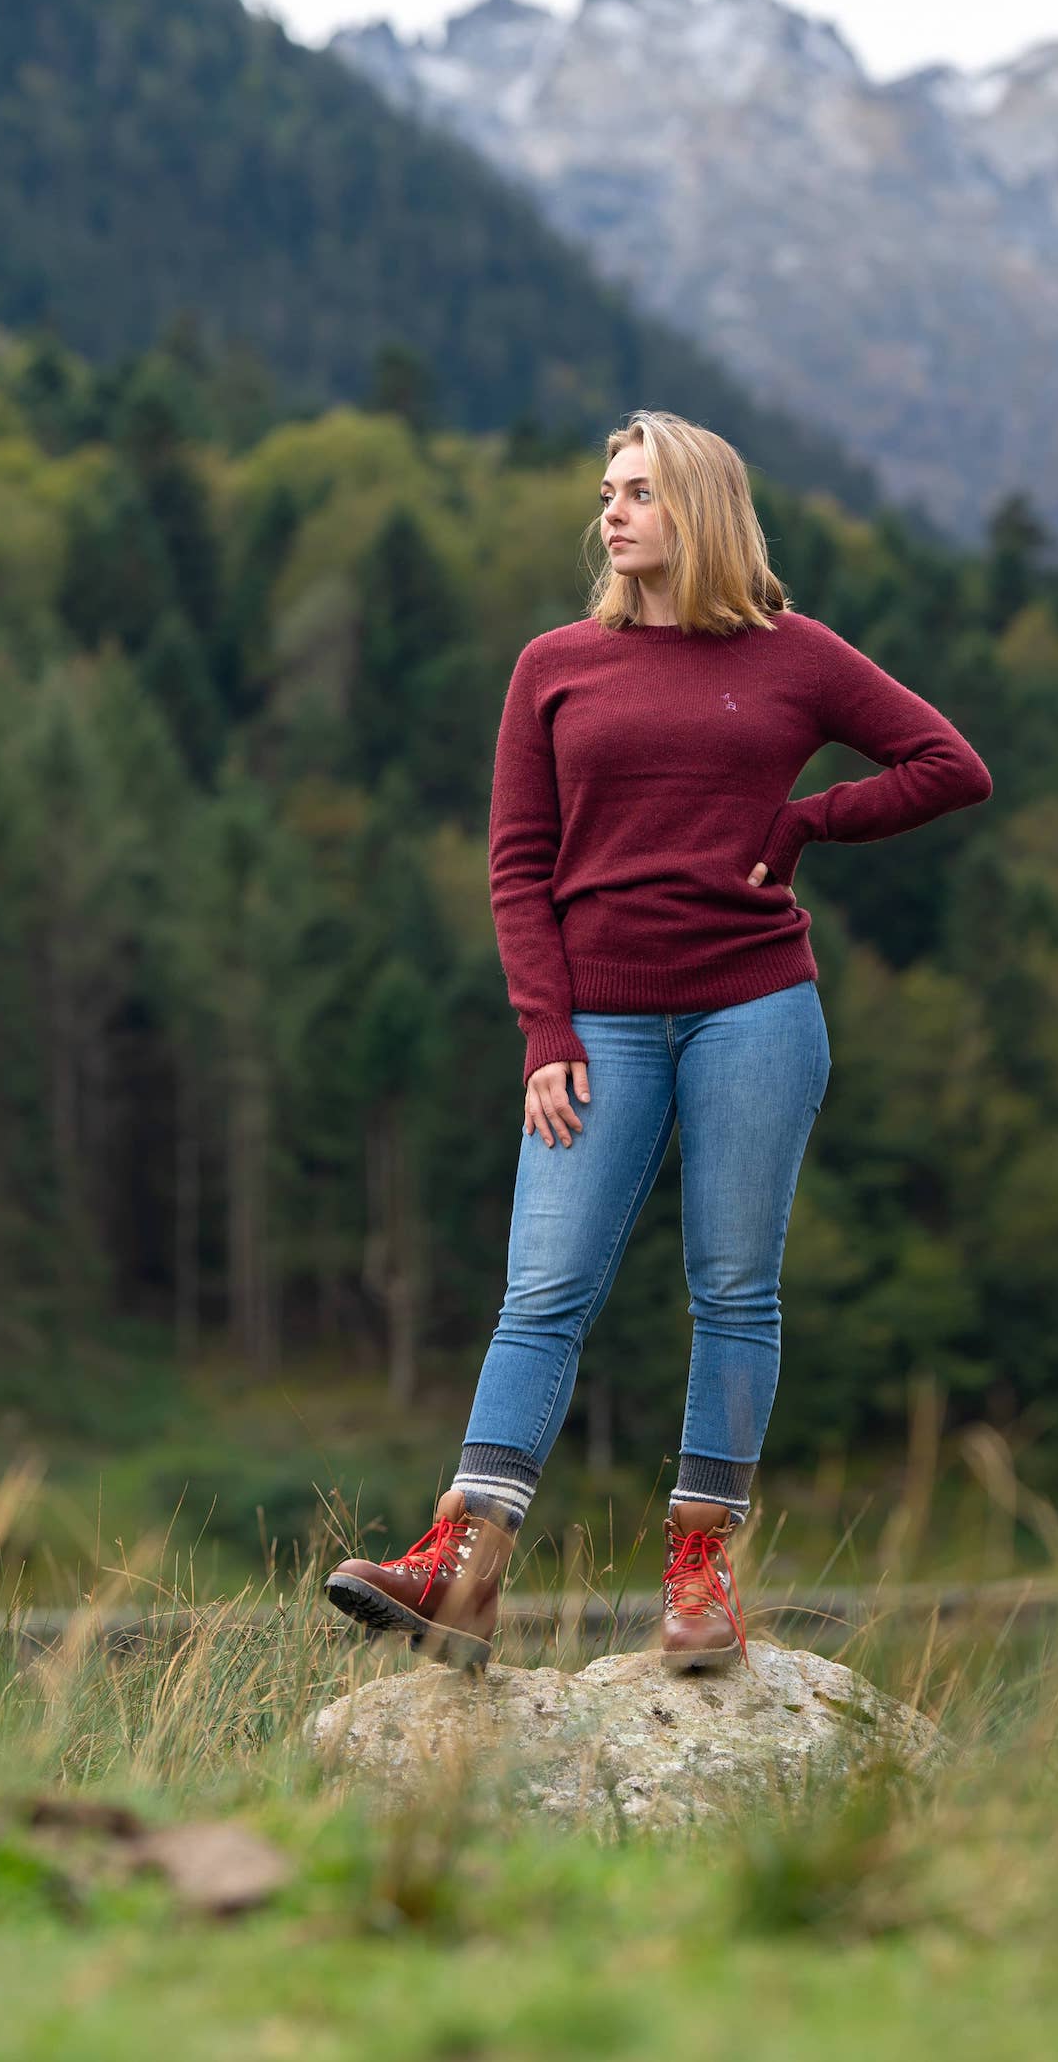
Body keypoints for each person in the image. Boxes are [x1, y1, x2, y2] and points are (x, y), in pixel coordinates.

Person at [325, 408, 993, 1671]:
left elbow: (949, 764)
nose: (612, 511)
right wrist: (545, 1029)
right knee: (543, 1291)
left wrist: (808, 823)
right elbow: (518, 865)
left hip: (756, 1009)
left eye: (637, 490)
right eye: (606, 491)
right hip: (598, 1024)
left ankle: (700, 1581)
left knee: (734, 1289)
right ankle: (462, 1571)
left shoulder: (794, 655)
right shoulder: (554, 665)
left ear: (700, 506)